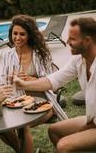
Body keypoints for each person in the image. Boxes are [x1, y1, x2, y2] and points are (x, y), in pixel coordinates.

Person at [14, 17, 96, 152]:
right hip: (92, 119)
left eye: (72, 39)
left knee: (63, 145)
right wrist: (22, 84)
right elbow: (52, 80)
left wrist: (90, 126)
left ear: (87, 41)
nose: (68, 42)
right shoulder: (79, 60)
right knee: (54, 131)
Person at [1, 14, 54, 153]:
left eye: (22, 34)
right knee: (0, 129)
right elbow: (3, 81)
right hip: (16, 102)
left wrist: (31, 79)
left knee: (22, 126)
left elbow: (52, 81)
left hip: (43, 102)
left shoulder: (40, 54)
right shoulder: (8, 55)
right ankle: (22, 150)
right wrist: (8, 80)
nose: (17, 38)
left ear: (30, 35)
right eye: (15, 33)